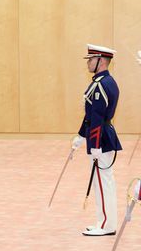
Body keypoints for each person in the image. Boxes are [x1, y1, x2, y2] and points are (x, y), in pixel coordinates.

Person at [72, 44, 122, 236]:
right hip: (102, 136)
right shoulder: (103, 82)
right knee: (103, 182)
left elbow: (98, 118)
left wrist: (95, 144)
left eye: (91, 59)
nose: (88, 63)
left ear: (101, 61)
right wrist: (80, 135)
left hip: (101, 139)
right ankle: (104, 222)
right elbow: (91, 115)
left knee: (103, 183)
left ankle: (107, 226)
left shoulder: (102, 85)